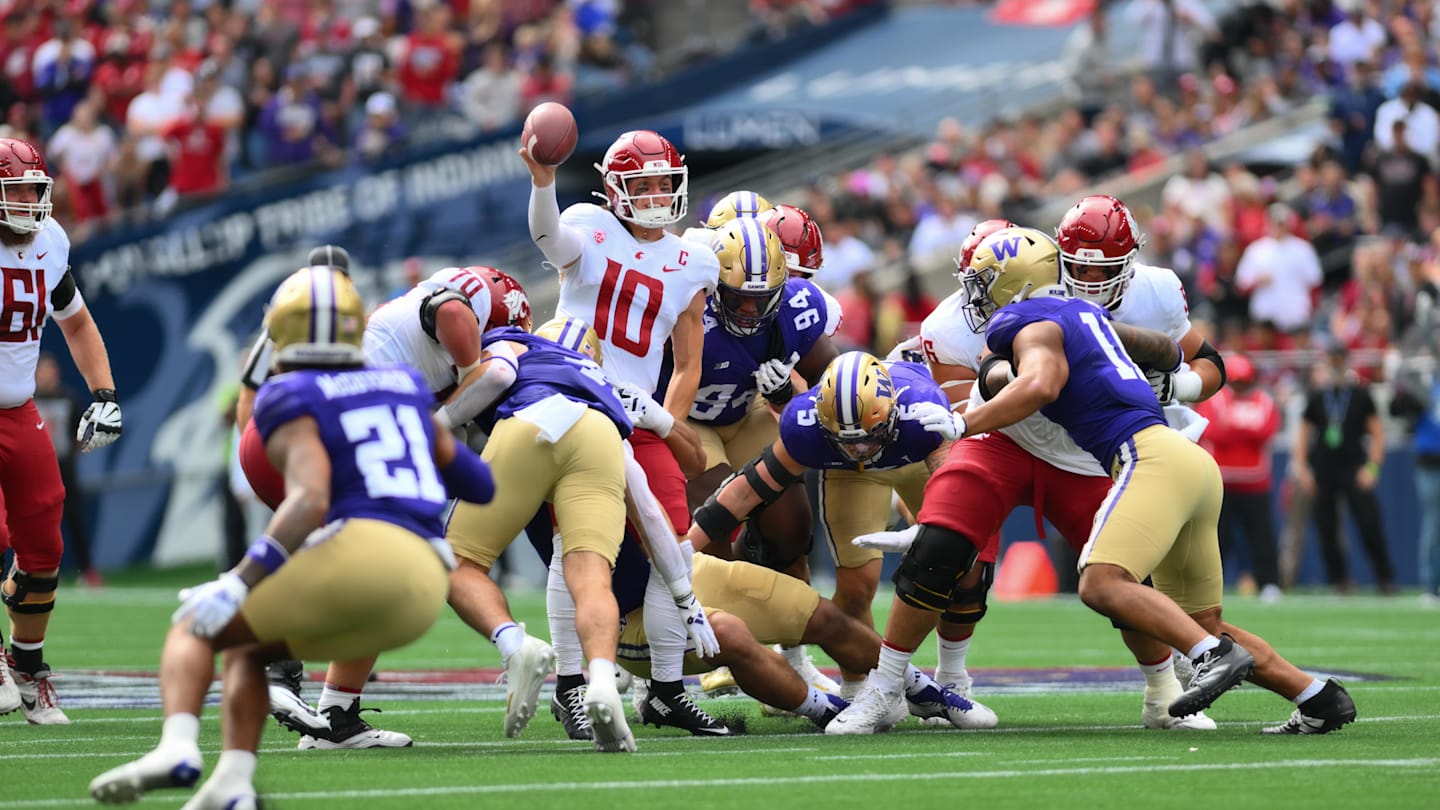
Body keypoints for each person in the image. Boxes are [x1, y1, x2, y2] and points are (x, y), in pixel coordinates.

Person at [828, 227, 1357, 736]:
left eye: (982, 285)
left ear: (1017, 288)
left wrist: (969, 418)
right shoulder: (1081, 311)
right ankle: (1316, 695)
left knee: (1107, 585)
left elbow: (1040, 381)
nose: (969, 297)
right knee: (1197, 618)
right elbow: (1159, 348)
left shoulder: (1038, 316)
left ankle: (1196, 666)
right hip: (1180, 457)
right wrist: (1167, 374)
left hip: (1131, 459)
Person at [88, 267, 495, 807]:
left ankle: (178, 748)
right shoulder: (403, 385)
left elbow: (308, 499)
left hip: (364, 556)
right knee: (246, 649)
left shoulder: (289, 393)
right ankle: (234, 783)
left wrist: (241, 579)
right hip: (423, 590)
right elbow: (480, 484)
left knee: (195, 628)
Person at [891, 206, 1218, 730]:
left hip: (1085, 454)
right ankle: (924, 682)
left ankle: (1164, 690)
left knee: (1126, 577)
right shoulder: (961, 319)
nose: (1088, 281)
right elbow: (973, 391)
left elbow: (1206, 362)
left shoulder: (1150, 292)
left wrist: (1180, 386)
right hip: (1006, 437)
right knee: (954, 553)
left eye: (1101, 268)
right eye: (1077, 269)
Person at [522, 128, 719, 731]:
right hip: (575, 401)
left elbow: (687, 364)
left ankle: (666, 689)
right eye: (644, 184)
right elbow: (550, 239)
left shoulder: (695, 259)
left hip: (638, 416)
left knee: (676, 550)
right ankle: (571, 685)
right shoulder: (589, 223)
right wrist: (543, 181)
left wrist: (670, 426)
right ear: (614, 189)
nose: (658, 194)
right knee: (580, 546)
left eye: (666, 182)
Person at [442, 321, 662, 753]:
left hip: (533, 420)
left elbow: (491, 379)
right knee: (593, 577)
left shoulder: (508, 343)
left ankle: (515, 644)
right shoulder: (592, 373)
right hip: (600, 432)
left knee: (455, 562)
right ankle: (599, 680)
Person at [233, 245, 413, 750]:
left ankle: (323, 703)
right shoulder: (341, 318)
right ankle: (279, 669)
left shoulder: (289, 314)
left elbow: (252, 394)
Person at [683, 217, 842, 697]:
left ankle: (793, 658)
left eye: (761, 296)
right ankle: (718, 651)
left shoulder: (798, 307)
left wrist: (788, 393)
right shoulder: (685, 305)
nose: (751, 308)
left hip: (745, 410)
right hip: (688, 420)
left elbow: (834, 383)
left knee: (792, 526)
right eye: (738, 297)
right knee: (711, 524)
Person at [0, 136, 121, 725]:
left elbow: (75, 323)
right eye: (13, 190)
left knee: (45, 543)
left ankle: (27, 666)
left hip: (18, 409)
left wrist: (103, 392)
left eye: (33, 190)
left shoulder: (48, 243)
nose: (27, 202)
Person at [1292, 345, 1395, 594]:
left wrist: (1372, 467)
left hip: (1354, 467)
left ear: (1346, 362)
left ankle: (1385, 577)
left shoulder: (1360, 394)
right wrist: (1302, 468)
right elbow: (1304, 436)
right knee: (1326, 526)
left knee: (1368, 522)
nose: (1336, 365)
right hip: (1324, 469)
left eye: (1340, 360)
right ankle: (1337, 579)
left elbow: (1377, 433)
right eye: (1333, 360)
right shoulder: (1317, 396)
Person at [1193, 353, 1284, 602]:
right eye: (1236, 381)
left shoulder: (1264, 400)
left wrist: (1234, 429)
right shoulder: (1216, 399)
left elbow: (1265, 431)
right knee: (1216, 539)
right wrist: (1244, 431)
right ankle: (1209, 587)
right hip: (1221, 482)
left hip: (1256, 483)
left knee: (1262, 536)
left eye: (1244, 381)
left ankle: (1269, 583)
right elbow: (1212, 431)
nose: (1240, 386)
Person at [31, 352, 100, 586]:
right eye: (44, 370)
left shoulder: (69, 399)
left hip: (64, 469)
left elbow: (79, 432)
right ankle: (33, 572)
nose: (48, 375)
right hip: (35, 471)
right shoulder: (27, 399)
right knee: (34, 524)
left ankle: (87, 572)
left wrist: (74, 450)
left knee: (74, 520)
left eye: (52, 370)